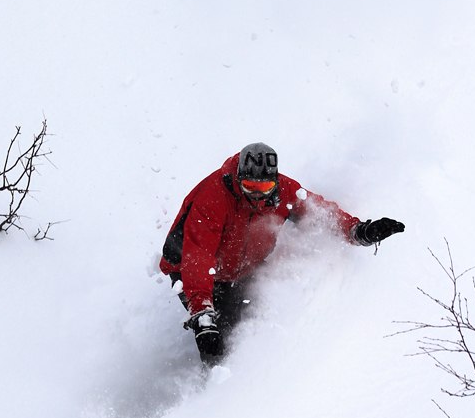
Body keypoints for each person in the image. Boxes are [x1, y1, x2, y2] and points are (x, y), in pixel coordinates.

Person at [159, 142, 404, 363]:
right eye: (250, 186)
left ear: (274, 181)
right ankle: (214, 386)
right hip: (193, 273)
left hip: (244, 270)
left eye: (264, 187)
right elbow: (198, 257)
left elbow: (320, 213)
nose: (257, 195)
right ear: (238, 178)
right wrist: (203, 316)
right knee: (220, 340)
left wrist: (359, 231)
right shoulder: (213, 198)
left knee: (255, 328)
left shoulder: (285, 191)